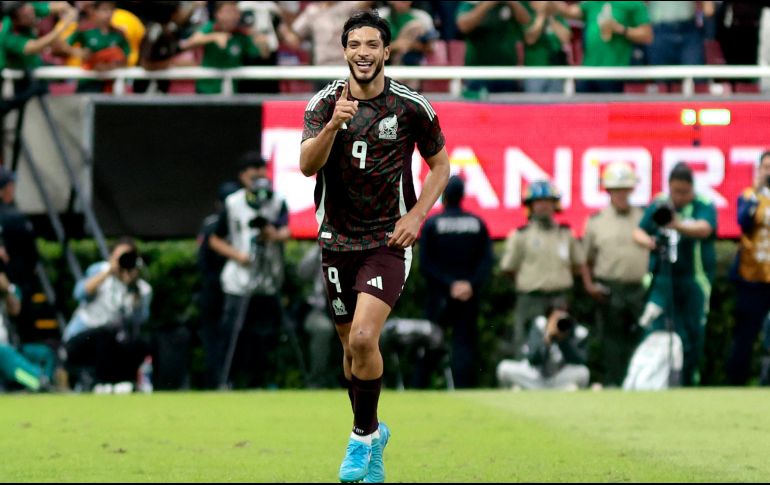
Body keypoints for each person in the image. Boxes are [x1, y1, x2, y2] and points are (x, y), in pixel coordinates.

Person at [299, 10, 450, 483]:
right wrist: (332, 127)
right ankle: (374, 436)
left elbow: (441, 166)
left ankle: (361, 437)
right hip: (336, 240)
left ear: (386, 51)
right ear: (344, 51)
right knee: (352, 352)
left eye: (371, 45)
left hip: (387, 239)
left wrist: (416, 215)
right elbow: (307, 166)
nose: (362, 53)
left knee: (365, 338)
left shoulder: (411, 106)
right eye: (354, 45)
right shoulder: (324, 103)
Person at [208, 152, 290, 389]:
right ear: (243, 177)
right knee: (234, 332)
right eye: (253, 176)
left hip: (267, 278)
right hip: (239, 279)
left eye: (262, 174)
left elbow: (286, 230)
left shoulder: (277, 200)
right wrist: (238, 256)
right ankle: (227, 381)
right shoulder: (233, 203)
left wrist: (273, 235)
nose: (258, 180)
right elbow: (214, 238)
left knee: (264, 335)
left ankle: (261, 381)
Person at [633, 162, 717, 387]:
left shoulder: (702, 204)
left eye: (684, 192)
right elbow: (638, 231)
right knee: (654, 329)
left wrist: (676, 225)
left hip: (693, 280)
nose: (679, 197)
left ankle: (688, 383)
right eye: (675, 191)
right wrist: (650, 242)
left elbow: (705, 228)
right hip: (662, 280)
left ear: (692, 188)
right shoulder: (660, 203)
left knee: (691, 335)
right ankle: (650, 382)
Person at [500, 179, 589, 360]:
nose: (543, 206)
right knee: (526, 345)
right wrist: (530, 281)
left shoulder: (566, 233)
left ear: (555, 204)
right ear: (530, 206)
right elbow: (508, 268)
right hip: (531, 299)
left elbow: (578, 264)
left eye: (548, 201)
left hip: (560, 299)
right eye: (538, 202)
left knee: (564, 345)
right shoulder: (521, 235)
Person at [419, 175, 493, 388]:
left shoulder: (432, 224)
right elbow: (486, 261)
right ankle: (463, 388)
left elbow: (426, 264)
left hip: (439, 296)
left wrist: (449, 284)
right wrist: (469, 284)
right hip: (468, 296)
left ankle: (420, 386)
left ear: (443, 195)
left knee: (430, 342)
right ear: (462, 196)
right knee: (464, 345)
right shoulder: (477, 224)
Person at [581, 162, 649, 387]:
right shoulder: (596, 222)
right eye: (616, 190)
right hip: (610, 288)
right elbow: (585, 259)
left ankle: (640, 384)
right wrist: (590, 285)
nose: (621, 194)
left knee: (641, 336)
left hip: (639, 288)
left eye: (625, 189)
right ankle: (614, 384)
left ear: (632, 190)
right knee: (611, 340)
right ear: (608, 191)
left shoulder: (643, 217)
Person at [62, 238, 153, 391]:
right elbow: (79, 293)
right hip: (83, 336)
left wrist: (132, 288)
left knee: (137, 342)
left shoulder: (142, 288)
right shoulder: (99, 270)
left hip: (113, 343)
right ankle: (99, 383)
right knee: (104, 334)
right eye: (120, 257)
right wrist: (108, 273)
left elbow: (140, 320)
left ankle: (127, 383)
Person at [726, 151, 770, 385]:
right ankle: (736, 385)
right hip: (752, 278)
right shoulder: (749, 196)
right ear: (759, 170)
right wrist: (756, 192)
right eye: (766, 167)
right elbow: (742, 222)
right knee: (745, 336)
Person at [196, 180, 240, 389]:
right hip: (216, 287)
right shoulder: (215, 225)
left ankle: (222, 380)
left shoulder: (216, 223)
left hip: (224, 287)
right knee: (216, 336)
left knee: (223, 336)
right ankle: (218, 380)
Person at [555, 1, 652, 93]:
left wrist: (620, 29)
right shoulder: (592, 3)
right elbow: (568, 12)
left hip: (613, 73)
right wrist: (552, 4)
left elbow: (647, 35)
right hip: (587, 72)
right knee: (582, 104)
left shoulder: (633, 4)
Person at [496, 299, 590, 390]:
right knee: (504, 368)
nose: (560, 322)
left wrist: (563, 340)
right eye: (556, 318)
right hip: (535, 377)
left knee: (583, 372)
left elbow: (579, 360)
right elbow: (533, 359)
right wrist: (547, 338)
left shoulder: (578, 332)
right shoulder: (540, 325)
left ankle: (563, 388)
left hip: (560, 378)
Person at [180, 1, 265, 94]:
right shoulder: (211, 27)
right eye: (228, 12)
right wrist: (213, 37)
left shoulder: (242, 33)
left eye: (235, 12)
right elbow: (187, 44)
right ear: (218, 14)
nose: (233, 16)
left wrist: (262, 42)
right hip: (206, 89)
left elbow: (261, 54)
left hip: (232, 90)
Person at [0, 257, 55, 392]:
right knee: (4, 353)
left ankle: (41, 381)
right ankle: (37, 383)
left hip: (11, 346)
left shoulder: (11, 289)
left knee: (46, 353)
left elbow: (15, 310)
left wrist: (6, 290)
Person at [455, 1, 531, 96]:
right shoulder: (472, 3)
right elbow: (463, 25)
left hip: (507, 73)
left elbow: (527, 22)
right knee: (477, 105)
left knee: (508, 105)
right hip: (477, 73)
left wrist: (513, 3)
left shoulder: (511, 4)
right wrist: (487, 4)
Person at [65, 1, 131, 93]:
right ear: (95, 11)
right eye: (104, 10)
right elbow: (62, 47)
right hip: (88, 83)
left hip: (111, 85)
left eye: (111, 10)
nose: (108, 14)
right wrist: (77, 52)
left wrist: (111, 64)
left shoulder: (119, 33)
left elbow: (126, 57)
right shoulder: (84, 30)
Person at [522, 1, 571, 93]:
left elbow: (565, 38)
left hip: (556, 72)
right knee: (533, 102)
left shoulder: (557, 17)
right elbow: (530, 39)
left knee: (555, 102)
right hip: (534, 72)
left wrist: (550, 17)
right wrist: (542, 15)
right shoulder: (528, 15)